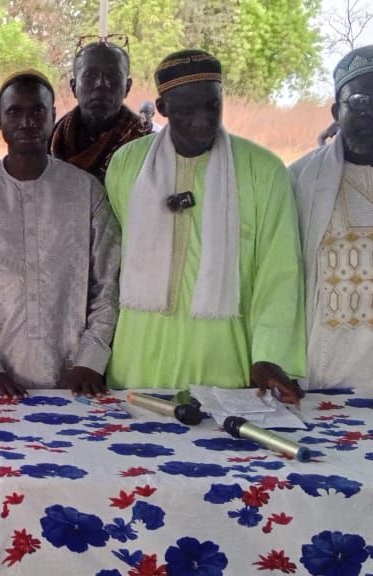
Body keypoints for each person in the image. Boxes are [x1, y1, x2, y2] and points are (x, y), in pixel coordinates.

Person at [105, 50, 306, 402]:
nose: (202, 120)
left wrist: (269, 356)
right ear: (162, 108)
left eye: (212, 106)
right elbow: (112, 263)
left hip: (223, 362)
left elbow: (279, 273)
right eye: (186, 110)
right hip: (137, 361)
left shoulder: (263, 171)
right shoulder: (125, 166)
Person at [0, 70, 121, 398]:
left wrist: (91, 360)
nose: (27, 122)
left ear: (53, 115)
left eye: (37, 111)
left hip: (76, 379)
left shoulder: (85, 190)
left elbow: (107, 282)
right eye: (15, 112)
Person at [291, 46, 373, 389]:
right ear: (336, 111)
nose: (371, 114)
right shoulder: (298, 180)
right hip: (324, 364)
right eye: (360, 101)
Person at [51, 39, 152, 182]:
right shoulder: (49, 142)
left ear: (127, 87)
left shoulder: (148, 147)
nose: (101, 84)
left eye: (113, 76)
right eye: (90, 76)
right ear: (74, 87)